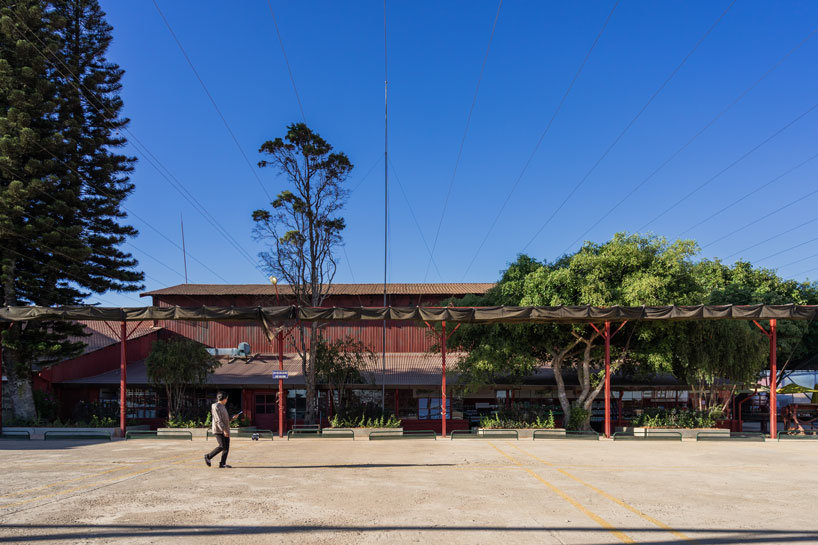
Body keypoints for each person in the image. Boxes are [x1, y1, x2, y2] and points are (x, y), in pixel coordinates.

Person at [204, 391, 239, 468]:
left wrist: (232, 418)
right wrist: (224, 430)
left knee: (226, 447)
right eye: (226, 398)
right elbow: (218, 420)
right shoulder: (215, 406)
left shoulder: (223, 406)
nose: (227, 400)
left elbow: (225, 419)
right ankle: (208, 456)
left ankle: (222, 463)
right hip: (219, 430)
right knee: (222, 446)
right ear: (223, 398)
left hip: (225, 429)